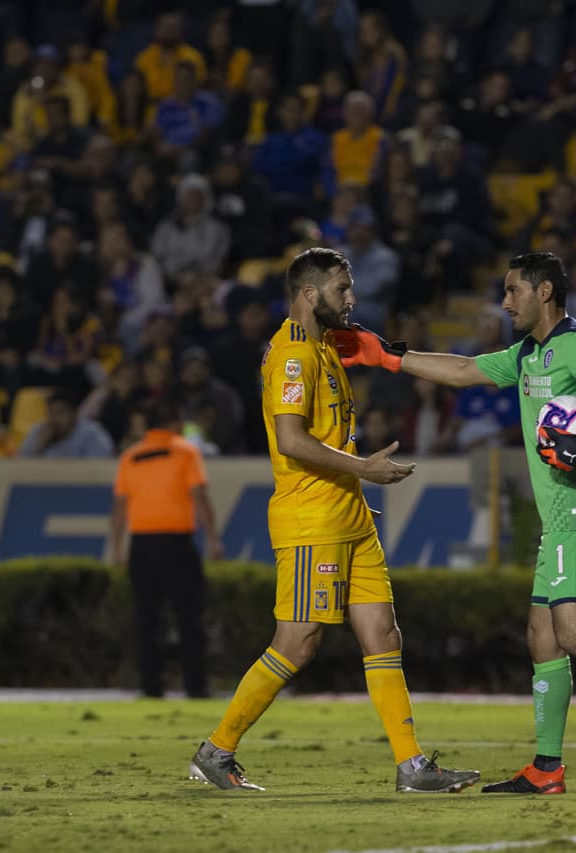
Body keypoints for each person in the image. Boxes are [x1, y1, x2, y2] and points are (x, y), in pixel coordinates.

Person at [335, 251, 576, 797]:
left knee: (573, 632)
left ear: (544, 291)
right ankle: (547, 768)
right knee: (542, 637)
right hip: (560, 516)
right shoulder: (528, 354)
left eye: (513, 291)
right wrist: (386, 356)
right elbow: (463, 371)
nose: (505, 303)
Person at [189, 247, 479, 794]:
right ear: (309, 293)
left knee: (383, 634)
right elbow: (291, 440)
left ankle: (412, 766)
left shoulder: (324, 346)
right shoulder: (293, 356)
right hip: (312, 519)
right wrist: (364, 468)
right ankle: (216, 751)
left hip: (349, 515)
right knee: (298, 643)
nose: (352, 298)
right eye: (341, 289)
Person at [110, 400, 221, 699]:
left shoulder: (130, 456)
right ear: (174, 422)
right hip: (177, 544)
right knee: (189, 616)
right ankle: (196, 687)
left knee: (147, 619)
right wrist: (213, 538)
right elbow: (199, 497)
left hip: (141, 545)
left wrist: (117, 547)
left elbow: (120, 507)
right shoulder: (185, 452)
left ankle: (151, 686)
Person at [17, 389, 114, 459]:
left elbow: (98, 467)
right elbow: (19, 466)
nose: (54, 418)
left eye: (60, 413)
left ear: (74, 414)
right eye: (51, 413)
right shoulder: (39, 431)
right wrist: (39, 446)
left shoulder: (93, 434)